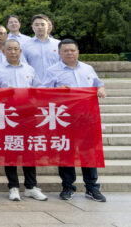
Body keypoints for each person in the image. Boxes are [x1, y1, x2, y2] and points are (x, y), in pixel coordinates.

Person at [42, 39, 107, 202]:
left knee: (89, 153)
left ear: (78, 52)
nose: (69, 53)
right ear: (59, 53)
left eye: (72, 50)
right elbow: (43, 93)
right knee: (66, 152)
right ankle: (68, 187)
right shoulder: (52, 71)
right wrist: (56, 90)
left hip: (87, 118)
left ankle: (92, 188)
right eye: (65, 51)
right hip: (65, 119)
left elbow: (99, 84)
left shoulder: (87, 68)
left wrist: (101, 89)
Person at [0, 39, 47, 202]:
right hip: (8, 117)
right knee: (10, 151)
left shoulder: (29, 69)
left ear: (20, 51)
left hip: (28, 116)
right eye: (9, 49)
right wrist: (5, 96)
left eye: (15, 49)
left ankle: (31, 187)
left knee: (29, 151)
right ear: (3, 52)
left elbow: (38, 89)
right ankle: (13, 187)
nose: (13, 52)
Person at [22, 14, 60, 81]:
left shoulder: (58, 44)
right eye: (36, 25)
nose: (40, 27)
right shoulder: (25, 45)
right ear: (32, 27)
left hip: (55, 83)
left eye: (43, 24)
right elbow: (23, 66)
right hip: (34, 83)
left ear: (48, 26)